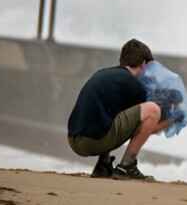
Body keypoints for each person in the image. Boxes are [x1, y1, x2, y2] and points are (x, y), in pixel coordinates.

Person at [66, 39, 169, 179]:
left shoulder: (105, 74)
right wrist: (173, 119)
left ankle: (103, 165)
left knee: (112, 114)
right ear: (144, 64)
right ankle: (127, 166)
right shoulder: (132, 84)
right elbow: (149, 124)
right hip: (91, 142)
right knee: (153, 111)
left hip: (73, 140)